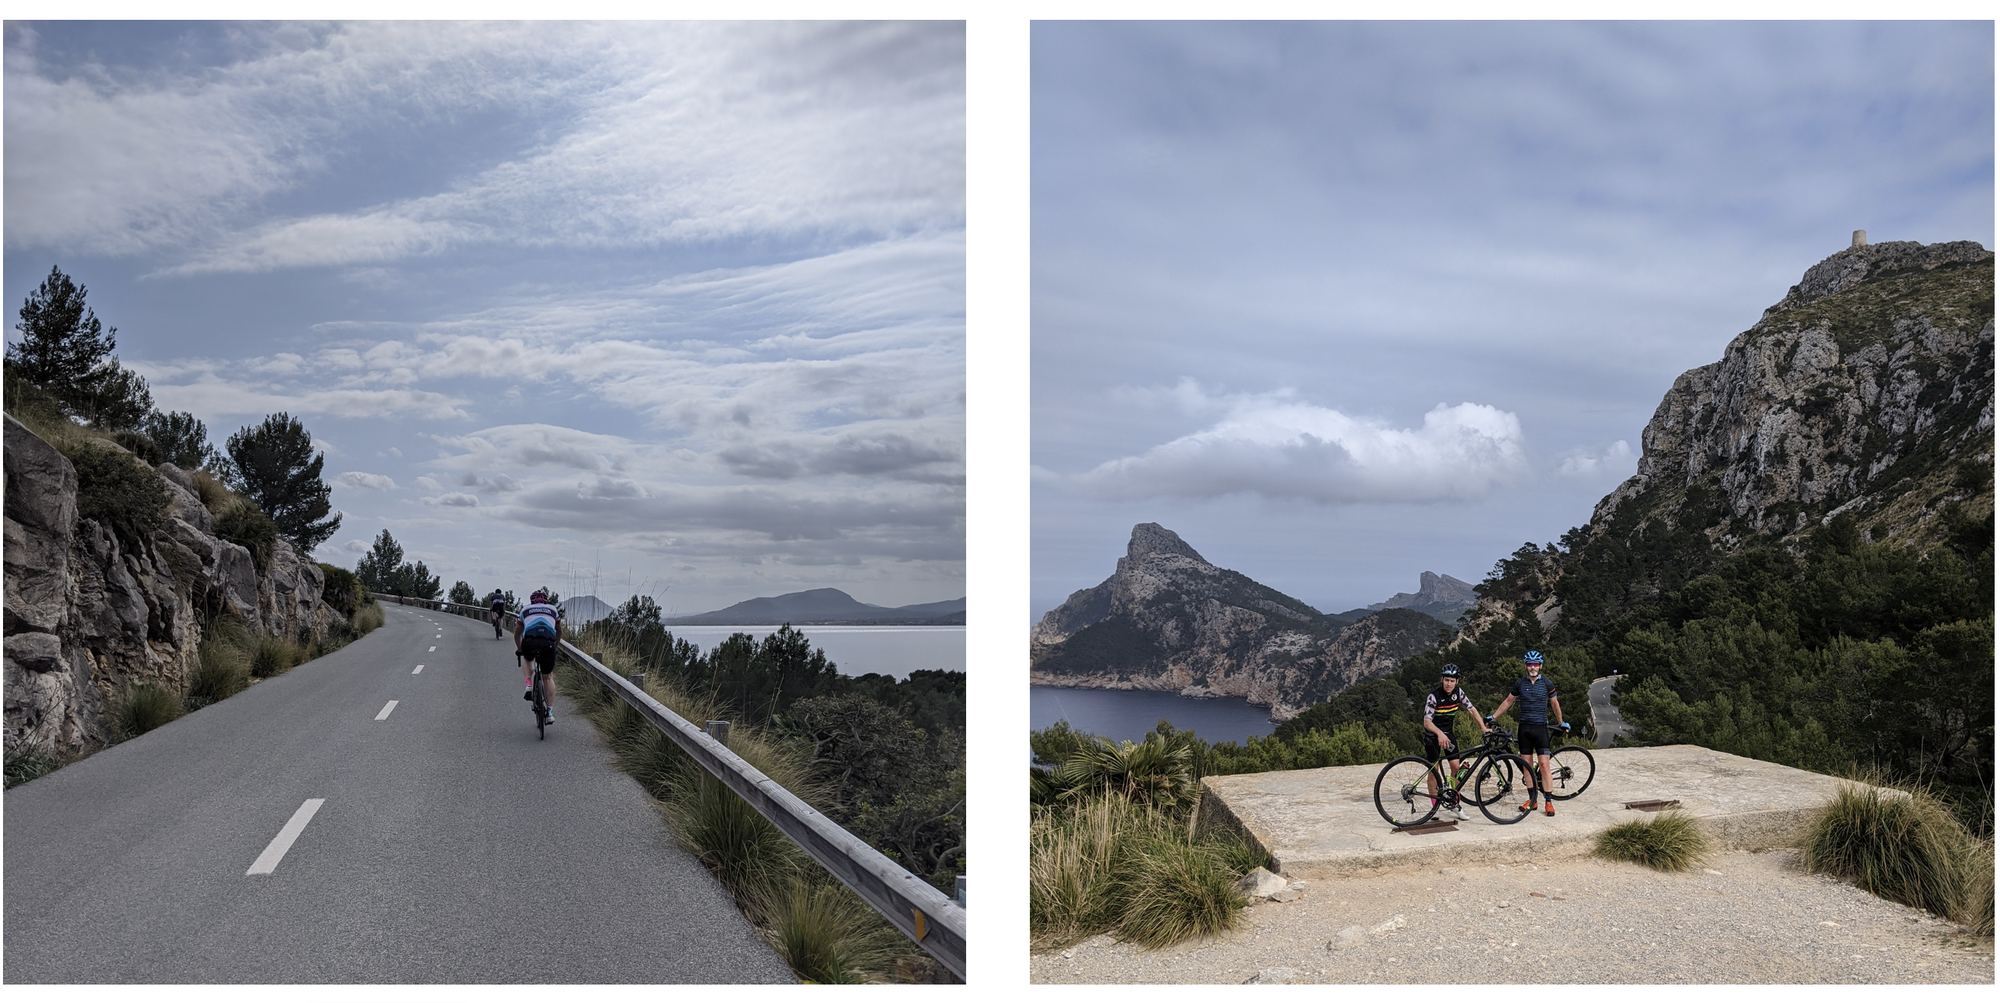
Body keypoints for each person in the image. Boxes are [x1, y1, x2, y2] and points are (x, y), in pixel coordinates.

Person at [1487, 650, 1568, 816]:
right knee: (1527, 767)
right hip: (1524, 729)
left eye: (1536, 664)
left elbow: (1555, 704)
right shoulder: (1519, 684)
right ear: (1526, 666)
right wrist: (1493, 716)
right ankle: (1532, 800)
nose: (1533, 667)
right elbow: (1508, 701)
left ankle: (1549, 802)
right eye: (1530, 664)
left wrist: (1561, 722)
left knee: (1544, 766)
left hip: (1540, 729)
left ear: (1540, 666)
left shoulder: (1547, 684)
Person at [1422, 664, 1490, 821]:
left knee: (1456, 768)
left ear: (1457, 682)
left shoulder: (1459, 693)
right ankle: (1435, 807)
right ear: (1441, 679)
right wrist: (1439, 734)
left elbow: (1472, 710)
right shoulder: (1434, 696)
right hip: (1433, 735)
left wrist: (1483, 728)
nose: (1449, 684)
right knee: (1434, 771)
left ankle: (1454, 802)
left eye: (1452, 681)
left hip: (1449, 734)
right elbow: (1427, 722)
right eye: (1446, 680)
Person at [514, 587, 563, 726]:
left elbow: (517, 632)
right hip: (548, 643)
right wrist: (555, 646)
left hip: (530, 641)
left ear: (531, 601)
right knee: (547, 676)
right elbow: (559, 631)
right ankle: (550, 712)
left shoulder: (525, 610)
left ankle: (528, 684)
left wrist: (519, 648)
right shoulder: (553, 610)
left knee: (527, 658)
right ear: (546, 601)